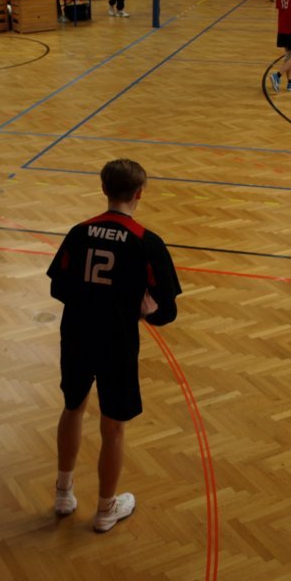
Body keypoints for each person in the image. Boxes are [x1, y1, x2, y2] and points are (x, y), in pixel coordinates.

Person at [47, 158, 181, 534]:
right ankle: (106, 510)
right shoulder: (147, 243)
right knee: (114, 427)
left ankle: (63, 493)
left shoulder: (79, 233)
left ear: (104, 188)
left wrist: (88, 298)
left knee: (72, 407)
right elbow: (165, 311)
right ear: (140, 193)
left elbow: (58, 286)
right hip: (117, 342)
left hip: (76, 334)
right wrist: (146, 311)